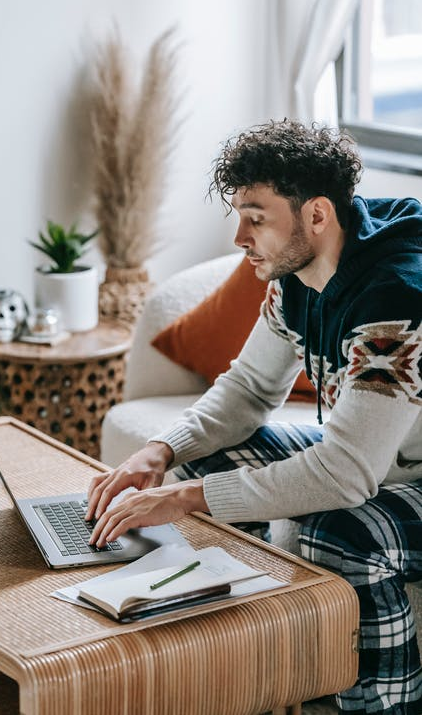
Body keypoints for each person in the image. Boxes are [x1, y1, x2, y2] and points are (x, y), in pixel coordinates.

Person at [87, 119, 422, 715]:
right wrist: (161, 452)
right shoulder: (294, 276)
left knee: (336, 531)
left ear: (317, 215)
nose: (240, 236)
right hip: (376, 455)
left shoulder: (394, 300)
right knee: (205, 459)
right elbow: (247, 390)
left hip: (405, 471)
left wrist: (188, 499)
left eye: (256, 218)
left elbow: (347, 474)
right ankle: (250, 660)